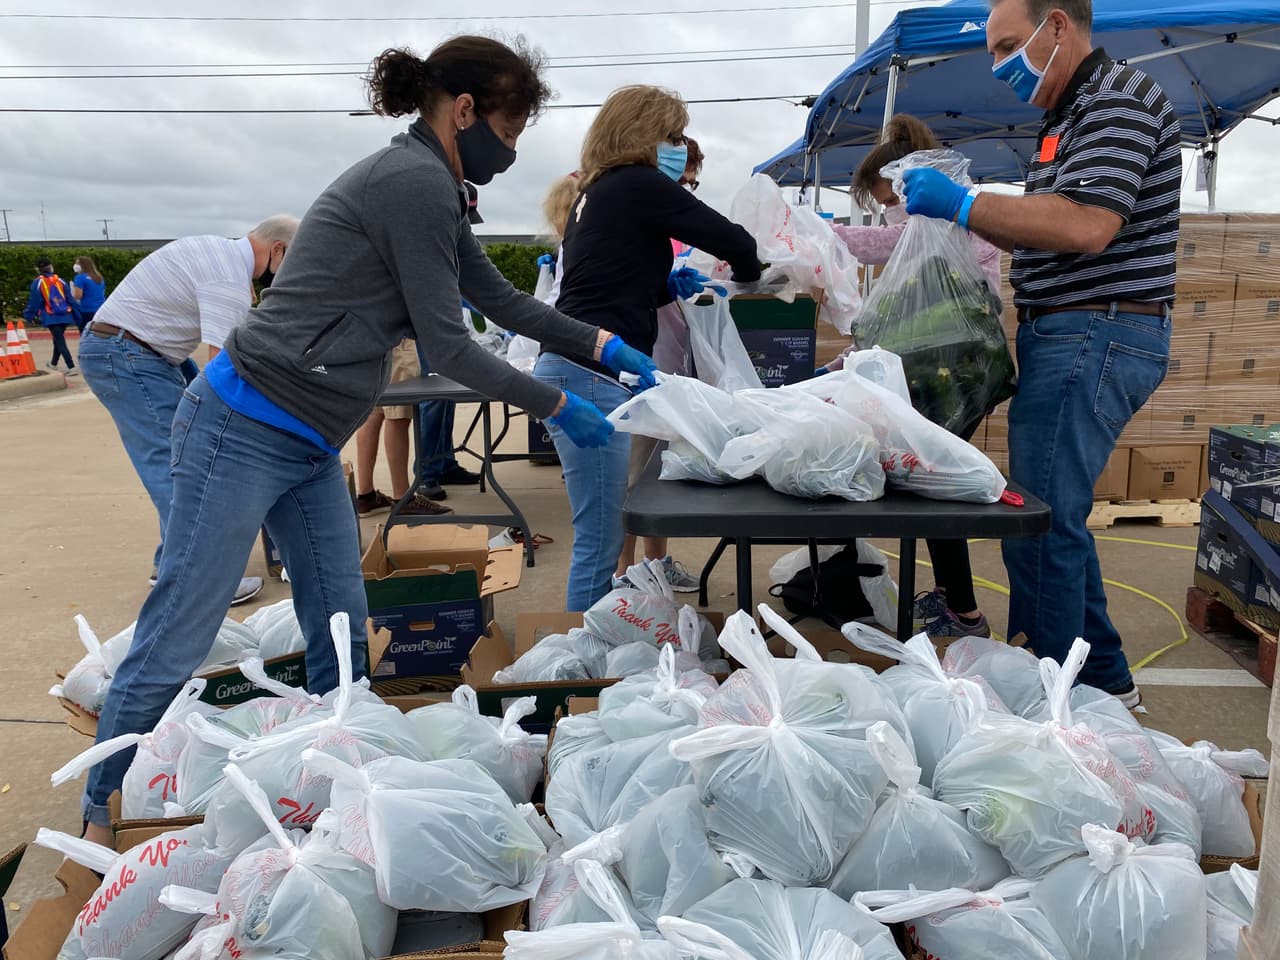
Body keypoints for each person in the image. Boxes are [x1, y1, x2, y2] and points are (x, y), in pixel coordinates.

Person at [80, 36, 655, 844]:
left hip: (309, 441)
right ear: (464, 111)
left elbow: (495, 297)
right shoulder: (412, 181)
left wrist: (601, 349)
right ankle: (103, 802)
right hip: (241, 424)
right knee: (184, 617)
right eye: (511, 127)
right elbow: (451, 346)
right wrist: (559, 406)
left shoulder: (435, 185)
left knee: (342, 623)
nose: (513, 148)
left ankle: (326, 770)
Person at [901, 0, 1178, 704]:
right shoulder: (1068, 116)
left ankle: (1057, 705)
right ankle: (1103, 684)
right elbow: (1048, 224)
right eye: (993, 52)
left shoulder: (1117, 101)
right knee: (1050, 520)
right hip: (1072, 331)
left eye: (1009, 46)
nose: (1001, 66)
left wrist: (964, 203)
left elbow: (1085, 224)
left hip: (1096, 332)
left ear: (1058, 25)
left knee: (1039, 526)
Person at [537, 84, 760, 611]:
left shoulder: (595, 193)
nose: (678, 145)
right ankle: (583, 671)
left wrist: (666, 287)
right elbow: (734, 241)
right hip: (590, 372)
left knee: (603, 532)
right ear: (643, 134)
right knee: (600, 540)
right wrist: (754, 275)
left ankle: (593, 652)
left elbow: (608, 279)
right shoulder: (637, 183)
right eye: (673, 134)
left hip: (571, 365)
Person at [822, 115, 1002, 640]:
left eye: (883, 196)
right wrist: (841, 367)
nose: (883, 210)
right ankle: (952, 600)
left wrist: (817, 235)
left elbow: (882, 250)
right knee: (933, 483)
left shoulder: (947, 222)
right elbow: (895, 329)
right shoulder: (933, 229)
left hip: (960, 376)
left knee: (939, 486)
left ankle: (965, 615)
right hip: (948, 371)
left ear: (903, 182)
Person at [78, 218, 297, 602]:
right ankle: (199, 584)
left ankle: (171, 566)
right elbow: (221, 373)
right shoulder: (229, 279)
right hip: (129, 355)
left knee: (183, 460)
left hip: (136, 350)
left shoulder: (219, 252)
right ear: (277, 248)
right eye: (292, 258)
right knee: (179, 467)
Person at [353, 338, 452, 516]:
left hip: (368, 335)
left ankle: (365, 495)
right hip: (395, 337)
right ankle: (403, 498)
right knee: (398, 414)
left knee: (373, 412)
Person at [24, 258, 78, 374]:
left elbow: (34, 301)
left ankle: (71, 366)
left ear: (38, 269)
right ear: (51, 267)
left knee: (59, 341)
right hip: (65, 314)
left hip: (51, 316)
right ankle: (53, 363)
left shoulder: (38, 282)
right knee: (57, 340)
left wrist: (29, 315)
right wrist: (77, 315)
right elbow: (70, 299)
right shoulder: (60, 280)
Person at [70, 255, 108, 333]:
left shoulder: (80, 278)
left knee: (85, 333)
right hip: (100, 308)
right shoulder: (99, 277)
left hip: (86, 310)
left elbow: (78, 296)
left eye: (77, 263)